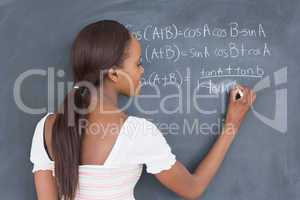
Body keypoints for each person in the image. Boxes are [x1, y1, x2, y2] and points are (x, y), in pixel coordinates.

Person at [29, 20, 256, 200]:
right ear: (114, 74)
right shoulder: (137, 133)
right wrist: (232, 125)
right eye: (137, 63)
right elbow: (193, 189)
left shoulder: (46, 127)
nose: (142, 71)